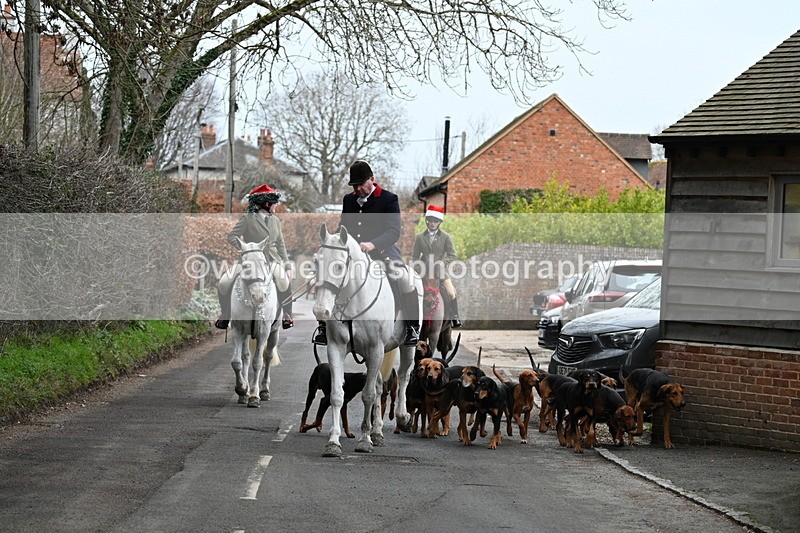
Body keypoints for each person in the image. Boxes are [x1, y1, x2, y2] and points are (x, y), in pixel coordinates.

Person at [313, 160, 420, 346]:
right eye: (354, 185)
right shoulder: (348, 200)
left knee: (403, 277)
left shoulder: (389, 199)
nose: (358, 189)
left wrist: (373, 244)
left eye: (361, 184)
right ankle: (324, 325)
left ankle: (412, 327)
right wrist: (332, 244)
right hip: (353, 255)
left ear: (372, 179)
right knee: (329, 274)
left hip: (383, 253)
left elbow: (394, 231)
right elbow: (343, 228)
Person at [214, 184, 294, 330]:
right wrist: (246, 249)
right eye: (274, 203)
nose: (276, 206)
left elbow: (280, 244)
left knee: (284, 281)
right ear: (267, 203)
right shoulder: (247, 219)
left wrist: (287, 265)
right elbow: (232, 236)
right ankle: (225, 314)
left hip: (272, 261)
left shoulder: (275, 220)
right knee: (224, 282)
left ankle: (287, 315)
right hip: (249, 261)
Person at [410, 205, 462, 328]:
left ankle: (455, 317)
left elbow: (452, 255)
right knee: (410, 291)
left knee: (451, 293)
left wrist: (442, 263)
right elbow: (414, 257)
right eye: (431, 221)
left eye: (435, 221)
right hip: (423, 271)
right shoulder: (419, 237)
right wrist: (419, 269)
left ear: (439, 223)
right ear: (427, 221)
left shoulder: (446, 237)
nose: (433, 223)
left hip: (440, 271)